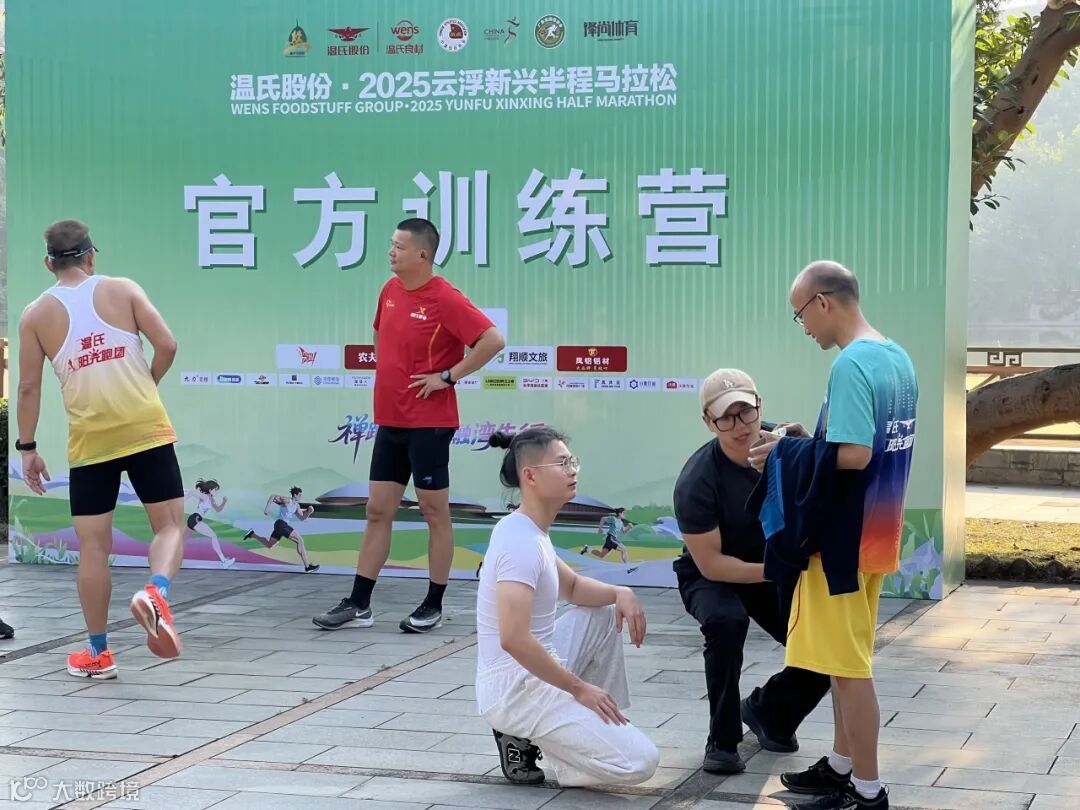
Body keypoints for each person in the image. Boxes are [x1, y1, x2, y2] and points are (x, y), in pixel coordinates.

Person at [749, 261, 918, 810]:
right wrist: (810, 438)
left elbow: (856, 454)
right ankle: (842, 767)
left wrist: (785, 451)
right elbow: (858, 444)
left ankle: (867, 791)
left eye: (800, 314)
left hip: (841, 542)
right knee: (844, 661)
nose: (803, 327)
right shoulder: (895, 357)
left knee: (848, 672)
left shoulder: (850, 364)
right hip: (877, 534)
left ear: (822, 302)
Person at [314, 218, 505, 633]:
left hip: (430, 423)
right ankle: (359, 603)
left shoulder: (445, 297)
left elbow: (493, 340)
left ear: (422, 254)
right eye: (391, 244)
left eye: (399, 246)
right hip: (391, 420)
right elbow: (381, 337)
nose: (391, 252)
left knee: (434, 512)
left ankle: (433, 603)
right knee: (377, 510)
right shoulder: (390, 291)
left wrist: (448, 376)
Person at [16, 219, 186, 679]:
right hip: (145, 428)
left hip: (90, 441)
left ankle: (98, 652)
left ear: (48, 263)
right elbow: (168, 344)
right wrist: (147, 385)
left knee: (93, 547)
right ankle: (156, 592)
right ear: (91, 255)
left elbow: (28, 388)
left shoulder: (35, 315)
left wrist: (28, 448)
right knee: (170, 526)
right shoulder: (123, 289)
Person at [476, 427, 659, 787]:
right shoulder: (519, 543)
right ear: (530, 476)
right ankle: (563, 751)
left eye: (572, 461)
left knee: (605, 610)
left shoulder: (529, 530)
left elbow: (572, 587)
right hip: (515, 689)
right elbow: (513, 638)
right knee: (641, 762)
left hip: (533, 671)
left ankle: (592, 722)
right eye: (561, 464)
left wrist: (621, 592)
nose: (572, 470)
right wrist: (578, 688)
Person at [673, 368, 831, 775]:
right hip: (712, 573)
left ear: (760, 406)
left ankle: (769, 713)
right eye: (726, 418)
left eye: (746, 412)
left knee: (826, 644)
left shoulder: (787, 447)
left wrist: (809, 449)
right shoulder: (697, 480)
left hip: (770, 565)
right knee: (726, 621)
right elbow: (711, 563)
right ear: (709, 422)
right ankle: (722, 742)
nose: (740, 425)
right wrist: (778, 570)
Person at [244, 486, 320, 572]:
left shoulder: (297, 506)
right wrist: (266, 510)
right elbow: (273, 496)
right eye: (299, 495)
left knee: (270, 545)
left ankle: (252, 534)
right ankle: (307, 566)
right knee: (300, 540)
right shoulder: (287, 500)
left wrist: (309, 512)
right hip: (281, 524)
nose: (300, 497)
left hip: (280, 526)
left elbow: (302, 518)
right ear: (295, 495)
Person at [185, 479, 234, 568]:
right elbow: (192, 492)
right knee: (213, 536)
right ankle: (224, 561)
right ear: (210, 490)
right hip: (195, 519)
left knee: (182, 540)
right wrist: (181, 502)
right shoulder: (205, 497)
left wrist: (224, 502)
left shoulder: (211, 500)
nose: (217, 492)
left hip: (193, 519)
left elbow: (218, 509)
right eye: (216, 490)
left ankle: (169, 556)